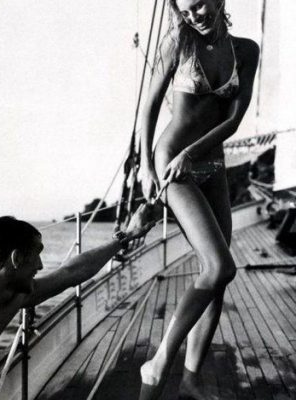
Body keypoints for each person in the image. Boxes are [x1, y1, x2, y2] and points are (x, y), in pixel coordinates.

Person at [0, 206, 156, 399]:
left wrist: (125, 237)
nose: (41, 266)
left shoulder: (15, 296)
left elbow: (71, 272)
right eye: (36, 256)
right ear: (17, 258)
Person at [139, 0, 259, 399]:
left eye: (199, 6)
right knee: (220, 265)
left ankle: (190, 380)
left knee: (217, 280)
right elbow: (149, 107)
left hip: (210, 164)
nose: (194, 16)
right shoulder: (178, 42)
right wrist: (145, 166)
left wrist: (196, 153)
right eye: (185, 11)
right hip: (173, 163)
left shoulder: (246, 50)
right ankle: (158, 362)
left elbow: (234, 119)